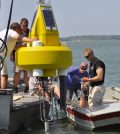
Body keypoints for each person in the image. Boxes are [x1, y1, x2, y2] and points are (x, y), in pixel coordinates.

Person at [0, 22, 37, 89]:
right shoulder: (12, 32)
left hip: (1, 56)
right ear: (15, 28)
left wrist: (24, 44)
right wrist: (32, 40)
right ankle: (3, 96)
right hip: (0, 57)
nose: (20, 31)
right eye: (19, 29)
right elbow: (20, 38)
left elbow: (13, 47)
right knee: (4, 76)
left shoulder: (5, 32)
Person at [11, 18, 30, 93]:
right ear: (20, 25)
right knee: (17, 72)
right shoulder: (16, 33)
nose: (25, 27)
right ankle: (15, 87)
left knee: (26, 72)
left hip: (27, 56)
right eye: (23, 25)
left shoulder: (29, 32)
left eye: (26, 25)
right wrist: (11, 55)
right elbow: (12, 46)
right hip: (18, 55)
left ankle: (27, 87)